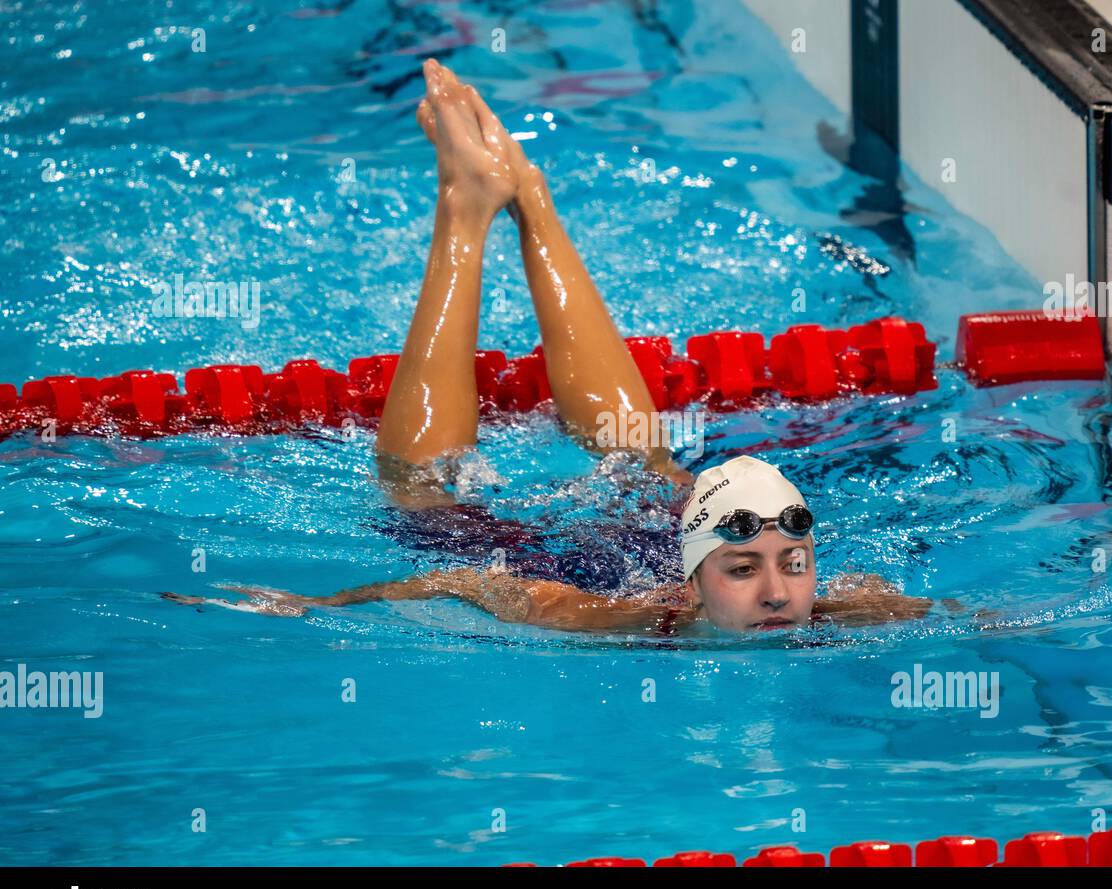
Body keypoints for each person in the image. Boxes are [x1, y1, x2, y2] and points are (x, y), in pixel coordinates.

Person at [163, 59, 934, 635]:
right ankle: (469, 207)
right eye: (745, 569)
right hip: (556, 566)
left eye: (794, 568)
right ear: (695, 587)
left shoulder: (836, 613)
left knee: (651, 462)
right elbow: (473, 581)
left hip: (649, 539)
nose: (777, 595)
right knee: (424, 489)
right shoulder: (614, 624)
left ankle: (530, 191)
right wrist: (319, 605)